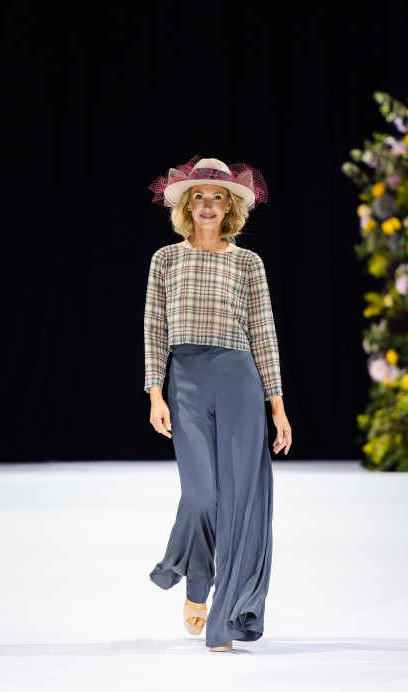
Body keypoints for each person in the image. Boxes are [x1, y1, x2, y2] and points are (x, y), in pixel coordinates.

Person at [144, 155, 292, 652]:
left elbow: (264, 334)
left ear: (230, 207)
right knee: (201, 495)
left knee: (239, 504)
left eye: (218, 197)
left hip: (238, 382)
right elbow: (154, 330)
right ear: (187, 206)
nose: (208, 205)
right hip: (185, 382)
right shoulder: (165, 259)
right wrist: (155, 393)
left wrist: (277, 406)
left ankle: (226, 620)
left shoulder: (247, 263)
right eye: (199, 197)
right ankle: (193, 576)